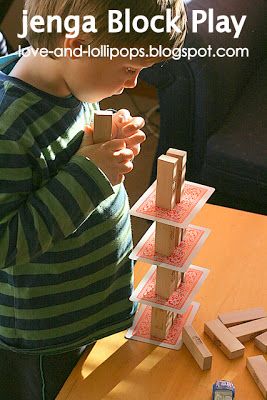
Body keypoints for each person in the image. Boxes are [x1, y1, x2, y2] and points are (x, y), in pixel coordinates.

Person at [0, 0, 186, 399]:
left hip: (84, 312)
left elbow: (61, 161)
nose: (135, 84)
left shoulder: (68, 85)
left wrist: (104, 137)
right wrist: (93, 172)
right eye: (130, 70)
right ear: (78, 44)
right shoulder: (9, 130)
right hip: (46, 336)